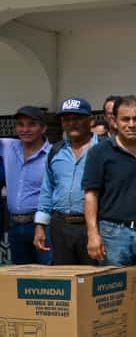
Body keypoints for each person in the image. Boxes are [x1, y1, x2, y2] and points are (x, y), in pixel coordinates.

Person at [83, 96, 136, 337]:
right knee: (114, 298)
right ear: (114, 121)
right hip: (113, 233)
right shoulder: (100, 152)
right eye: (125, 119)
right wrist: (93, 234)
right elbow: (91, 195)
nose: (131, 124)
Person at [33, 97, 98, 265]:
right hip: (60, 226)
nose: (71, 124)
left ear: (90, 121)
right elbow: (47, 189)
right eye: (66, 119)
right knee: (64, 281)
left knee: (93, 281)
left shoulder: (103, 149)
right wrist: (40, 225)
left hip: (93, 226)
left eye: (77, 119)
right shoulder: (56, 151)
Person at [1, 106, 53, 264]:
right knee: (21, 278)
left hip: (43, 226)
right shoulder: (8, 146)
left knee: (48, 277)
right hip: (15, 225)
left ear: (43, 128)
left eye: (31, 124)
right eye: (20, 124)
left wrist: (41, 224)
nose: (25, 129)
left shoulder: (53, 153)